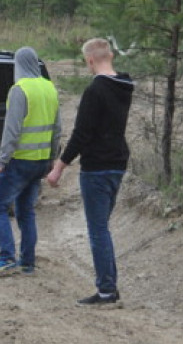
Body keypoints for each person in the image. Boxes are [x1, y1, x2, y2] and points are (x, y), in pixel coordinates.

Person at [46, 37, 134, 307]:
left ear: (90, 60)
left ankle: (106, 291)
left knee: (97, 231)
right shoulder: (125, 85)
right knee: (102, 228)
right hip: (118, 162)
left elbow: (82, 134)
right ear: (111, 56)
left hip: (97, 166)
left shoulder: (95, 91)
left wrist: (59, 167)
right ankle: (109, 287)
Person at [0, 46, 61, 278]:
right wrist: (51, 159)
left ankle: (6, 258)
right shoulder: (49, 88)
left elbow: (12, 130)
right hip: (40, 162)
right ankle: (28, 263)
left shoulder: (20, 90)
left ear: (18, 65)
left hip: (19, 162)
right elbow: (58, 129)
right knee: (26, 211)